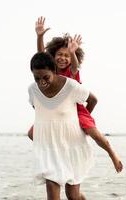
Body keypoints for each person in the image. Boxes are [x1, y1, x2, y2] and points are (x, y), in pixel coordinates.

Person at [28, 16, 123, 173]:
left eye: (66, 56)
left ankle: (112, 154)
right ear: (53, 56)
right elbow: (41, 56)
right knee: (32, 133)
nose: (63, 58)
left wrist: (78, 123)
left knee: (94, 133)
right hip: (56, 110)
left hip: (74, 107)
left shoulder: (71, 71)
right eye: (60, 54)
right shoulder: (50, 70)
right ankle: (54, 152)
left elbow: (75, 67)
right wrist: (40, 36)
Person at [28, 52, 95, 199]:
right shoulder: (32, 90)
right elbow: (40, 110)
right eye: (37, 78)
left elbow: (93, 100)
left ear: (54, 71)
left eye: (45, 77)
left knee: (73, 196)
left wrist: (79, 123)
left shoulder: (70, 85)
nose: (41, 82)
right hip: (50, 150)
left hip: (70, 146)